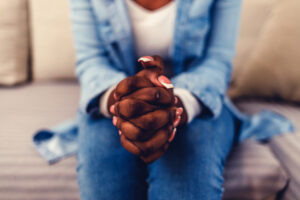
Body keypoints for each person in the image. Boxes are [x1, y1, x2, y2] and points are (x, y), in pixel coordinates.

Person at [68, 0, 294, 199]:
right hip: (112, 99)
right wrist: (125, 102)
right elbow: (91, 61)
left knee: (187, 183)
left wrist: (176, 105)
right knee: (105, 179)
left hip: (197, 98)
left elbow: (217, 62)